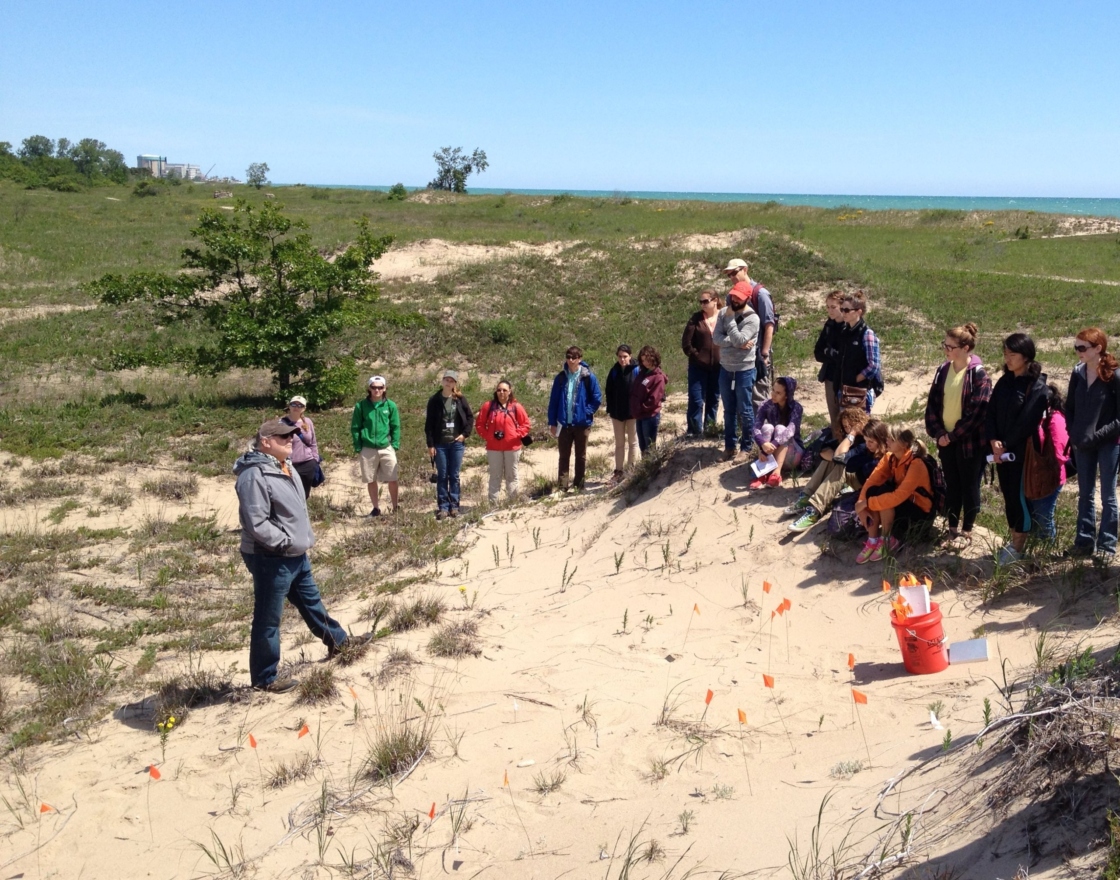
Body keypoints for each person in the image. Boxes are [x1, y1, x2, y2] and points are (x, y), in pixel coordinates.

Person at [235, 419, 372, 693]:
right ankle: (264, 679)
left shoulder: (286, 468)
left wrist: (298, 541)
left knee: (312, 603)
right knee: (268, 618)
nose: (290, 440)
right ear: (266, 442)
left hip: (295, 553)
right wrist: (284, 543)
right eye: (283, 437)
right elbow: (256, 521)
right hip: (270, 557)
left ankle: (338, 642)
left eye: (292, 436)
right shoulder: (254, 475)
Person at [923, 323, 992, 548]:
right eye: (945, 345)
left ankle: (967, 529)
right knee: (952, 484)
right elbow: (932, 404)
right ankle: (952, 528)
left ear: (965, 348)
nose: (946, 350)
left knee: (970, 486)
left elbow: (978, 413)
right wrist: (939, 433)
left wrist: (952, 436)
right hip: (946, 440)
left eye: (950, 346)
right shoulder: (943, 370)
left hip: (970, 443)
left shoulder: (979, 376)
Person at [985, 333, 1049, 565]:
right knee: (1009, 498)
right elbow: (990, 413)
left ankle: (1019, 548)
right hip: (1000, 453)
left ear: (1026, 356)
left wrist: (1006, 445)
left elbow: (1026, 423)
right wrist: (993, 441)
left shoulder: (1038, 386)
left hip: (1022, 454)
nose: (1007, 359)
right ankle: (1013, 542)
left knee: (1020, 498)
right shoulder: (1005, 381)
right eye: (1005, 354)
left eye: (1012, 354)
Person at [1065, 327, 1120, 557]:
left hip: (1108, 443)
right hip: (1081, 444)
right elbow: (1069, 407)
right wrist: (1073, 433)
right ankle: (1084, 542)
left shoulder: (1114, 375)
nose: (1078, 351)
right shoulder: (1077, 372)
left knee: (1108, 495)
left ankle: (1107, 545)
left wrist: (1096, 436)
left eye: (1082, 347)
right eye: (1076, 347)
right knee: (1085, 493)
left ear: (1098, 349)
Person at [854, 426, 936, 563]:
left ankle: (887, 539)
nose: (887, 441)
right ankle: (873, 539)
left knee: (883, 494)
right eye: (887, 438)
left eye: (891, 439)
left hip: (920, 515)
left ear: (904, 444)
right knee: (873, 491)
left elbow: (898, 496)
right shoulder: (890, 457)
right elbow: (871, 481)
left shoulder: (916, 464)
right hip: (903, 506)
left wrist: (867, 503)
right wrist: (860, 505)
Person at [784, 409, 874, 532]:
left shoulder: (865, 442)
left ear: (859, 422)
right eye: (846, 426)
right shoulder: (848, 439)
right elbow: (822, 450)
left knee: (842, 466)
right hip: (854, 477)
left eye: (851, 425)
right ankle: (806, 496)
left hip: (866, 484)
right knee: (832, 460)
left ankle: (814, 511)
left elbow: (842, 458)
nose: (848, 429)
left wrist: (852, 434)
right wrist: (837, 455)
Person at [713, 280, 759, 462]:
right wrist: (736, 342)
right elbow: (716, 338)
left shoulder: (752, 318)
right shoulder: (723, 312)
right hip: (725, 368)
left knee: (745, 409)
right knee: (728, 409)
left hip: (744, 370)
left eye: (739, 298)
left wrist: (731, 321)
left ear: (747, 298)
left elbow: (741, 339)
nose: (734, 299)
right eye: (733, 296)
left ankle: (746, 447)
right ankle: (729, 446)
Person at [722, 259, 776, 410]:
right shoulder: (730, 297)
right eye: (729, 274)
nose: (732, 276)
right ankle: (744, 431)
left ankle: (760, 432)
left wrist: (764, 354)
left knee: (758, 397)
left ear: (745, 269)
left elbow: (769, 325)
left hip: (757, 353)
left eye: (734, 272)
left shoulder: (760, 294)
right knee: (740, 396)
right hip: (739, 353)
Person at [547, 346, 603, 491]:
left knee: (581, 456)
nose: (571, 360)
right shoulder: (560, 378)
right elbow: (553, 402)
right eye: (568, 357)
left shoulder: (588, 377)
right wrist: (552, 422)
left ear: (580, 359)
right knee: (563, 457)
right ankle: (562, 487)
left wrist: (587, 412)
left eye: (574, 357)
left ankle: (579, 485)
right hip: (564, 424)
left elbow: (597, 398)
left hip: (582, 424)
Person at [425, 370, 474, 519]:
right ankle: (443, 507)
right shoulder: (434, 400)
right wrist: (430, 445)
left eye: (451, 380)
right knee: (442, 475)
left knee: (454, 475)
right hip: (440, 444)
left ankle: (454, 506)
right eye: (446, 380)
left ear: (455, 383)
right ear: (442, 381)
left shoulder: (459, 399)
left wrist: (464, 435)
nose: (448, 382)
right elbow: (429, 425)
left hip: (456, 444)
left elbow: (470, 417)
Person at [475, 379, 531, 505]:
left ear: (510, 391)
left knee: (512, 475)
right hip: (493, 447)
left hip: (512, 447)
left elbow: (526, 424)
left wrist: (515, 435)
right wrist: (488, 436)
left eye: (504, 390)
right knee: (495, 476)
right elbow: (479, 424)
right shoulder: (488, 406)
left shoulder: (516, 407)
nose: (501, 392)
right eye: (499, 390)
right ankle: (493, 504)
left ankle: (513, 502)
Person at [351, 376, 400, 516]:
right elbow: (355, 427)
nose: (377, 390)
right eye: (374, 387)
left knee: (393, 477)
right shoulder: (361, 406)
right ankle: (376, 508)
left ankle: (396, 506)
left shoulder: (390, 405)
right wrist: (358, 446)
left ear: (384, 388)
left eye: (380, 387)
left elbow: (395, 426)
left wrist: (395, 444)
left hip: (386, 447)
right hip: (368, 448)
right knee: (370, 479)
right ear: (369, 389)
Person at [1027, 384, 1070, 546]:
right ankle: (1037, 547)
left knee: (1044, 516)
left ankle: (1048, 550)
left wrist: (1051, 469)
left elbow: (1060, 451)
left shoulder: (1055, 419)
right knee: (1037, 515)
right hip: (1039, 476)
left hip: (1051, 477)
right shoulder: (1040, 418)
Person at [681, 290, 722, 437]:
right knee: (696, 399)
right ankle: (694, 431)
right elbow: (686, 343)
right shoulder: (696, 319)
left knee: (713, 399)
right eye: (701, 302)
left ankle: (710, 430)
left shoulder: (723, 317)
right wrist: (697, 356)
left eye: (705, 301)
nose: (702, 304)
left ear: (715, 300)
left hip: (718, 367)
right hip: (698, 367)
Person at [750, 376, 803, 489]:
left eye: (778, 393)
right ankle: (763, 473)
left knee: (780, 428)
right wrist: (762, 444)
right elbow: (755, 427)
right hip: (771, 452)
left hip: (792, 454)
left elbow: (790, 431)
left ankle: (776, 473)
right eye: (773, 390)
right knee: (767, 427)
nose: (773, 394)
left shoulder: (796, 408)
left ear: (787, 395)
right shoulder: (765, 405)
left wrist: (770, 447)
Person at [835, 291, 882, 413]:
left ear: (859, 311)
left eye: (847, 310)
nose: (843, 313)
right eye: (842, 309)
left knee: (860, 428)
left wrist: (855, 379)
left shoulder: (867, 334)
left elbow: (874, 365)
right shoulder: (845, 332)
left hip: (860, 391)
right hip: (845, 390)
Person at [604, 344, 640, 485]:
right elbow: (609, 391)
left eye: (625, 356)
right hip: (617, 413)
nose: (622, 359)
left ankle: (631, 471)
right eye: (619, 356)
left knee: (633, 442)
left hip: (633, 413)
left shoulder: (637, 370)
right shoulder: (614, 371)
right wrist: (611, 409)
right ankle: (618, 472)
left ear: (630, 356)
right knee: (619, 444)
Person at [814, 291, 846, 435]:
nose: (830, 310)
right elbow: (818, 352)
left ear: (842, 306)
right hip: (830, 376)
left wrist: (830, 352)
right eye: (828, 307)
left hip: (846, 378)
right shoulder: (829, 324)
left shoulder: (848, 326)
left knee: (848, 417)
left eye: (833, 307)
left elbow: (845, 356)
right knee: (834, 417)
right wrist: (831, 353)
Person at [281, 395, 321, 499]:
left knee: (304, 496)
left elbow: (313, 443)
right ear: (289, 406)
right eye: (293, 404)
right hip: (288, 465)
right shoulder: (281, 423)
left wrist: (315, 460)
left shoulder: (307, 422)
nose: (296, 407)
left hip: (308, 464)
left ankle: (303, 515)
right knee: (289, 496)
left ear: (304, 408)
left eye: (300, 405)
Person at [631, 345, 668, 457]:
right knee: (642, 446)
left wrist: (641, 408)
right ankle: (645, 469)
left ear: (653, 358)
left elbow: (654, 399)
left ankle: (652, 470)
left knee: (650, 446)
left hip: (650, 416)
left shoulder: (658, 377)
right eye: (643, 360)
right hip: (640, 415)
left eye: (647, 360)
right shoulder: (642, 373)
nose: (645, 363)